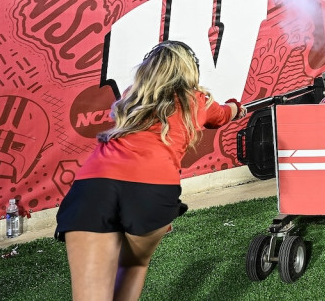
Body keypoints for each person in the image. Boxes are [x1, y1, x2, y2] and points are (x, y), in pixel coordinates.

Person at [55, 41, 246, 301]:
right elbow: (224, 114)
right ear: (191, 70)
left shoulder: (131, 95)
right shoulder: (199, 101)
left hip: (95, 185)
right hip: (152, 189)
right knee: (134, 264)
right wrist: (236, 107)